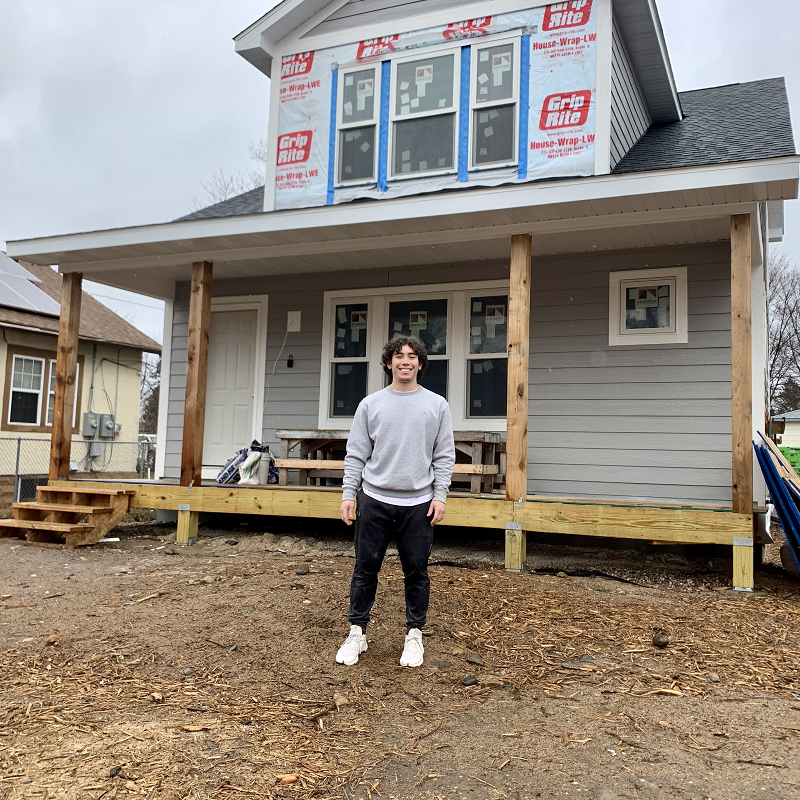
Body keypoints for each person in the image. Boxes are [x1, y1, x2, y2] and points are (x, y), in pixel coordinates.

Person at [336, 336, 455, 668]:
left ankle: (414, 635)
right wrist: (349, 494)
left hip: (419, 504)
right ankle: (357, 632)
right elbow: (356, 454)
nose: (406, 361)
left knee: (416, 572)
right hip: (374, 499)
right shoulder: (370, 405)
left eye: (412, 356)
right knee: (364, 569)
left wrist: (440, 496)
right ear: (388, 363)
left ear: (420, 364)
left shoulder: (437, 405)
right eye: (399, 356)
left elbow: (444, 456)